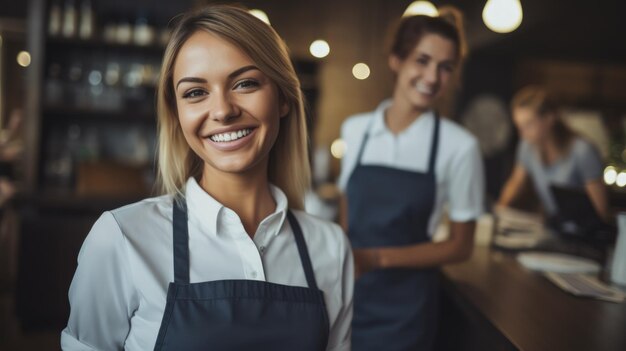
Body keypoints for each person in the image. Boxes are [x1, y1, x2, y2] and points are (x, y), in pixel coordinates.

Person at [61, 5, 353, 350]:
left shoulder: (331, 248)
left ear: (283, 98)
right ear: (178, 113)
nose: (223, 110)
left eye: (245, 83)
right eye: (195, 92)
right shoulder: (122, 238)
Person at [337, 8, 484, 351]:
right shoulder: (355, 130)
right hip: (347, 295)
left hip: (405, 309)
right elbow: (347, 205)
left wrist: (376, 259)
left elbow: (461, 246)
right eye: (422, 60)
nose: (433, 77)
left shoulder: (460, 147)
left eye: (445, 67)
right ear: (396, 60)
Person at [498, 85, 610, 222]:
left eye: (529, 124)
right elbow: (515, 184)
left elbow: (600, 210)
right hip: (554, 227)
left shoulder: (583, 151)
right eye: (519, 127)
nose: (522, 134)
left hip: (581, 233)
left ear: (549, 118)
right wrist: (497, 212)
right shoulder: (527, 146)